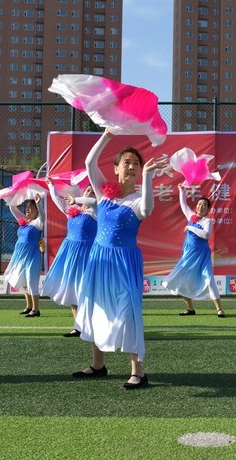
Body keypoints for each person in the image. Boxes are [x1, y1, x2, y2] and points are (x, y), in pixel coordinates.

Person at [72, 131, 167, 388]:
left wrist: (148, 176)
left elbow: (146, 210)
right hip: (98, 260)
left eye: (136, 163)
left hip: (124, 262)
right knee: (95, 309)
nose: (132, 166)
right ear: (116, 169)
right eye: (127, 162)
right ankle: (98, 364)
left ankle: (138, 371)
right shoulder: (104, 193)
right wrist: (106, 135)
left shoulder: (137, 200)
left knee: (129, 313)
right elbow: (90, 163)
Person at [40, 179, 97, 337]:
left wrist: (76, 199)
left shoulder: (96, 211)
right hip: (71, 253)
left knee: (85, 291)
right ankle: (78, 326)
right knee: (72, 291)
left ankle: (91, 326)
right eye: (87, 190)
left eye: (93, 191)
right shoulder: (73, 210)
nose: (89, 193)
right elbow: (58, 201)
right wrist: (51, 185)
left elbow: (93, 202)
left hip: (87, 254)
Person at [163, 188, 226, 318]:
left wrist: (189, 227)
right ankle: (190, 309)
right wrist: (181, 191)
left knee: (209, 279)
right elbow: (183, 204)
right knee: (182, 279)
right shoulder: (191, 216)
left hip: (201, 254)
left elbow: (206, 235)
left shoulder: (207, 221)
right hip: (188, 254)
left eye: (204, 205)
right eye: (199, 204)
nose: (200, 207)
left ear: (208, 209)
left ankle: (219, 309)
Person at [5, 198, 44, 317]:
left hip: (32, 254)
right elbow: (12, 208)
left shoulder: (38, 223)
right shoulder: (24, 221)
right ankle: (28, 306)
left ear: (36, 210)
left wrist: (39, 203)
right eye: (26, 207)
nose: (27, 209)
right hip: (19, 255)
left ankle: (36, 309)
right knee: (23, 281)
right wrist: (14, 197)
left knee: (31, 281)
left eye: (31, 207)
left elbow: (43, 215)